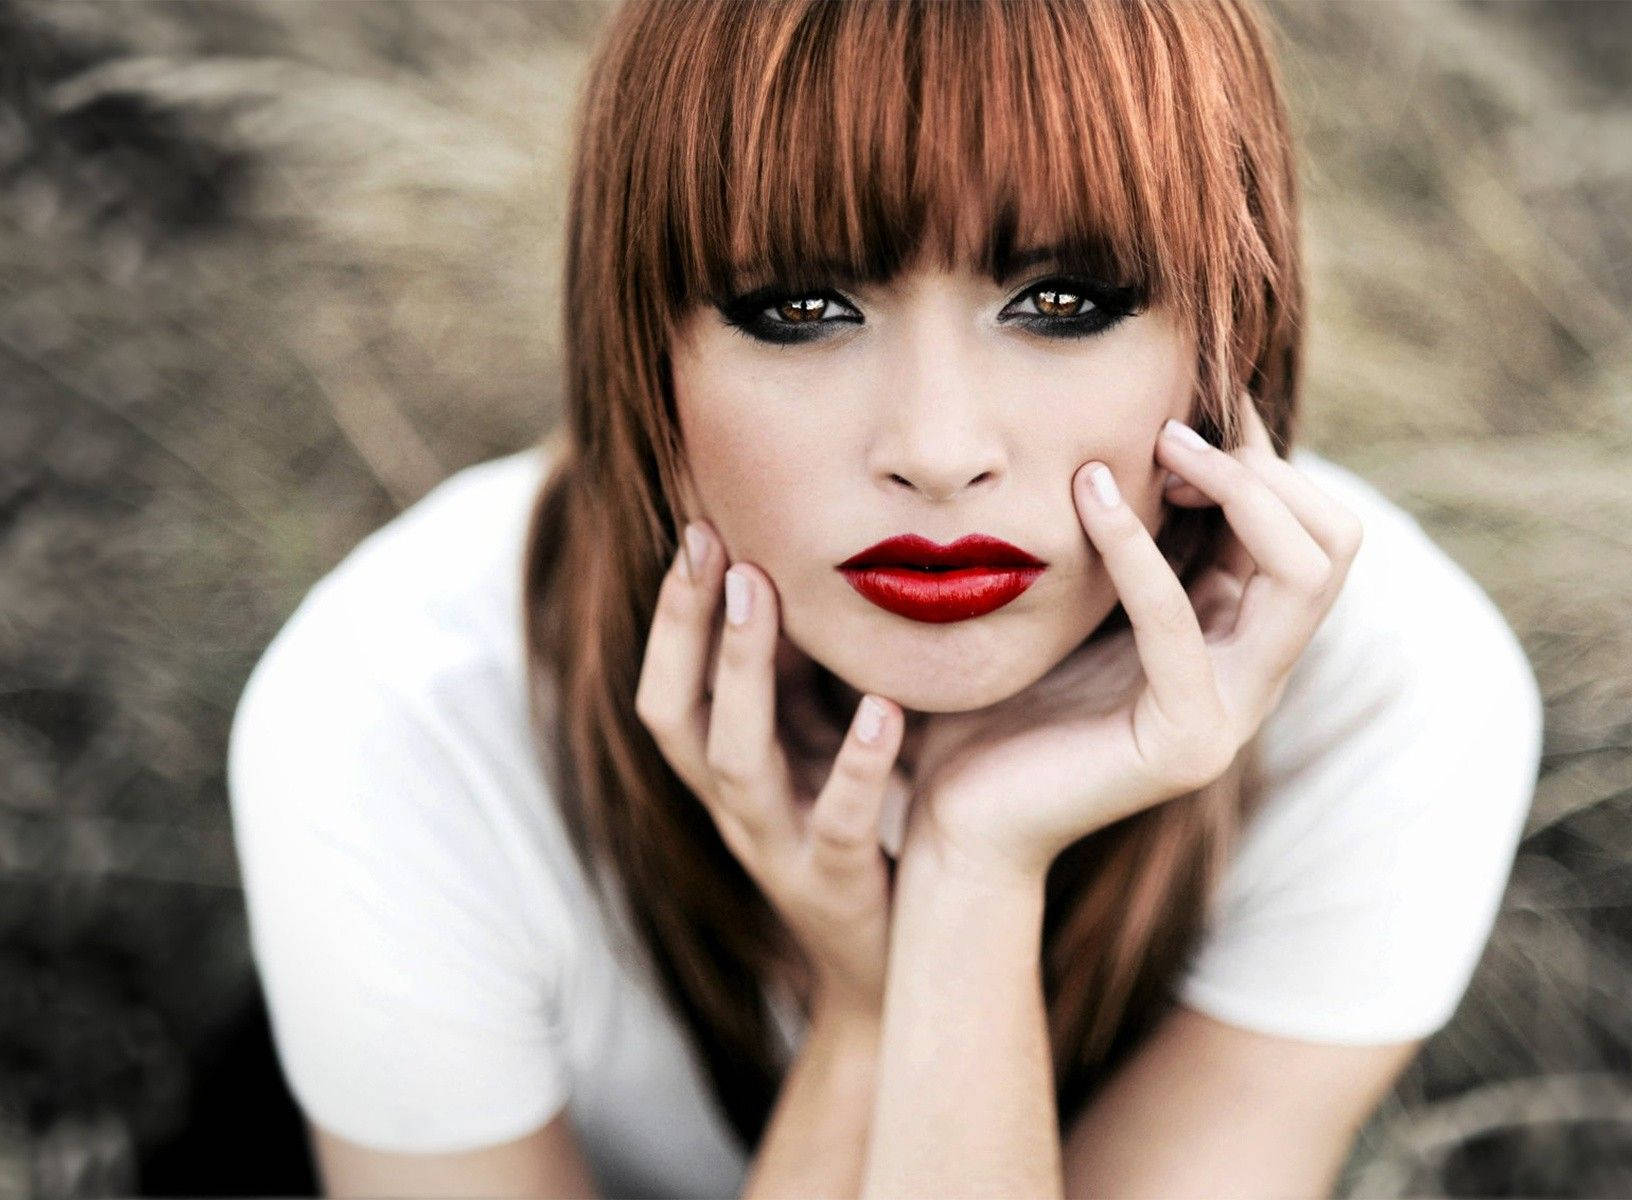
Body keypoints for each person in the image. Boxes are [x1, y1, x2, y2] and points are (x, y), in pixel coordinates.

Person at [226, 1, 1545, 1196]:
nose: (935, 442)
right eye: (800, 306)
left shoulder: (1395, 698)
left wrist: (972, 875)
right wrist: (866, 1018)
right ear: (643, 352)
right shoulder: (393, 715)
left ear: (1230, 332)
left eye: (1063, 300)